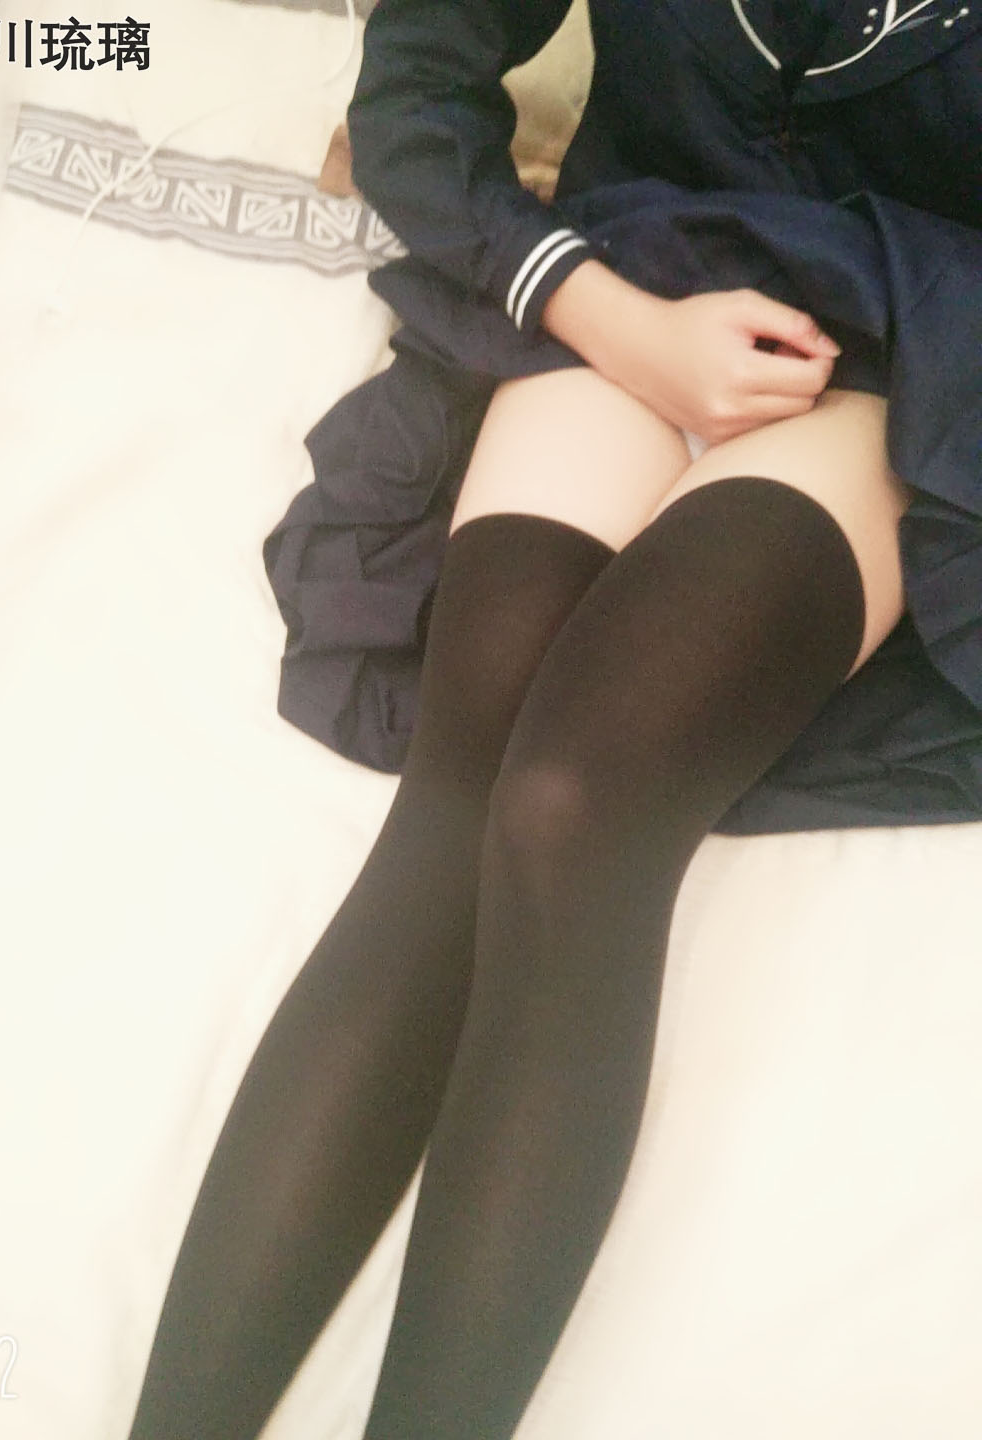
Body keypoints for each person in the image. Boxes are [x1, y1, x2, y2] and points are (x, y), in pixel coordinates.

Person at [127, 3, 982, 1437]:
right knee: (461, 792)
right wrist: (603, 312)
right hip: (626, 298)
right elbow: (419, 80)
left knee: (575, 802)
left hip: (904, 352)